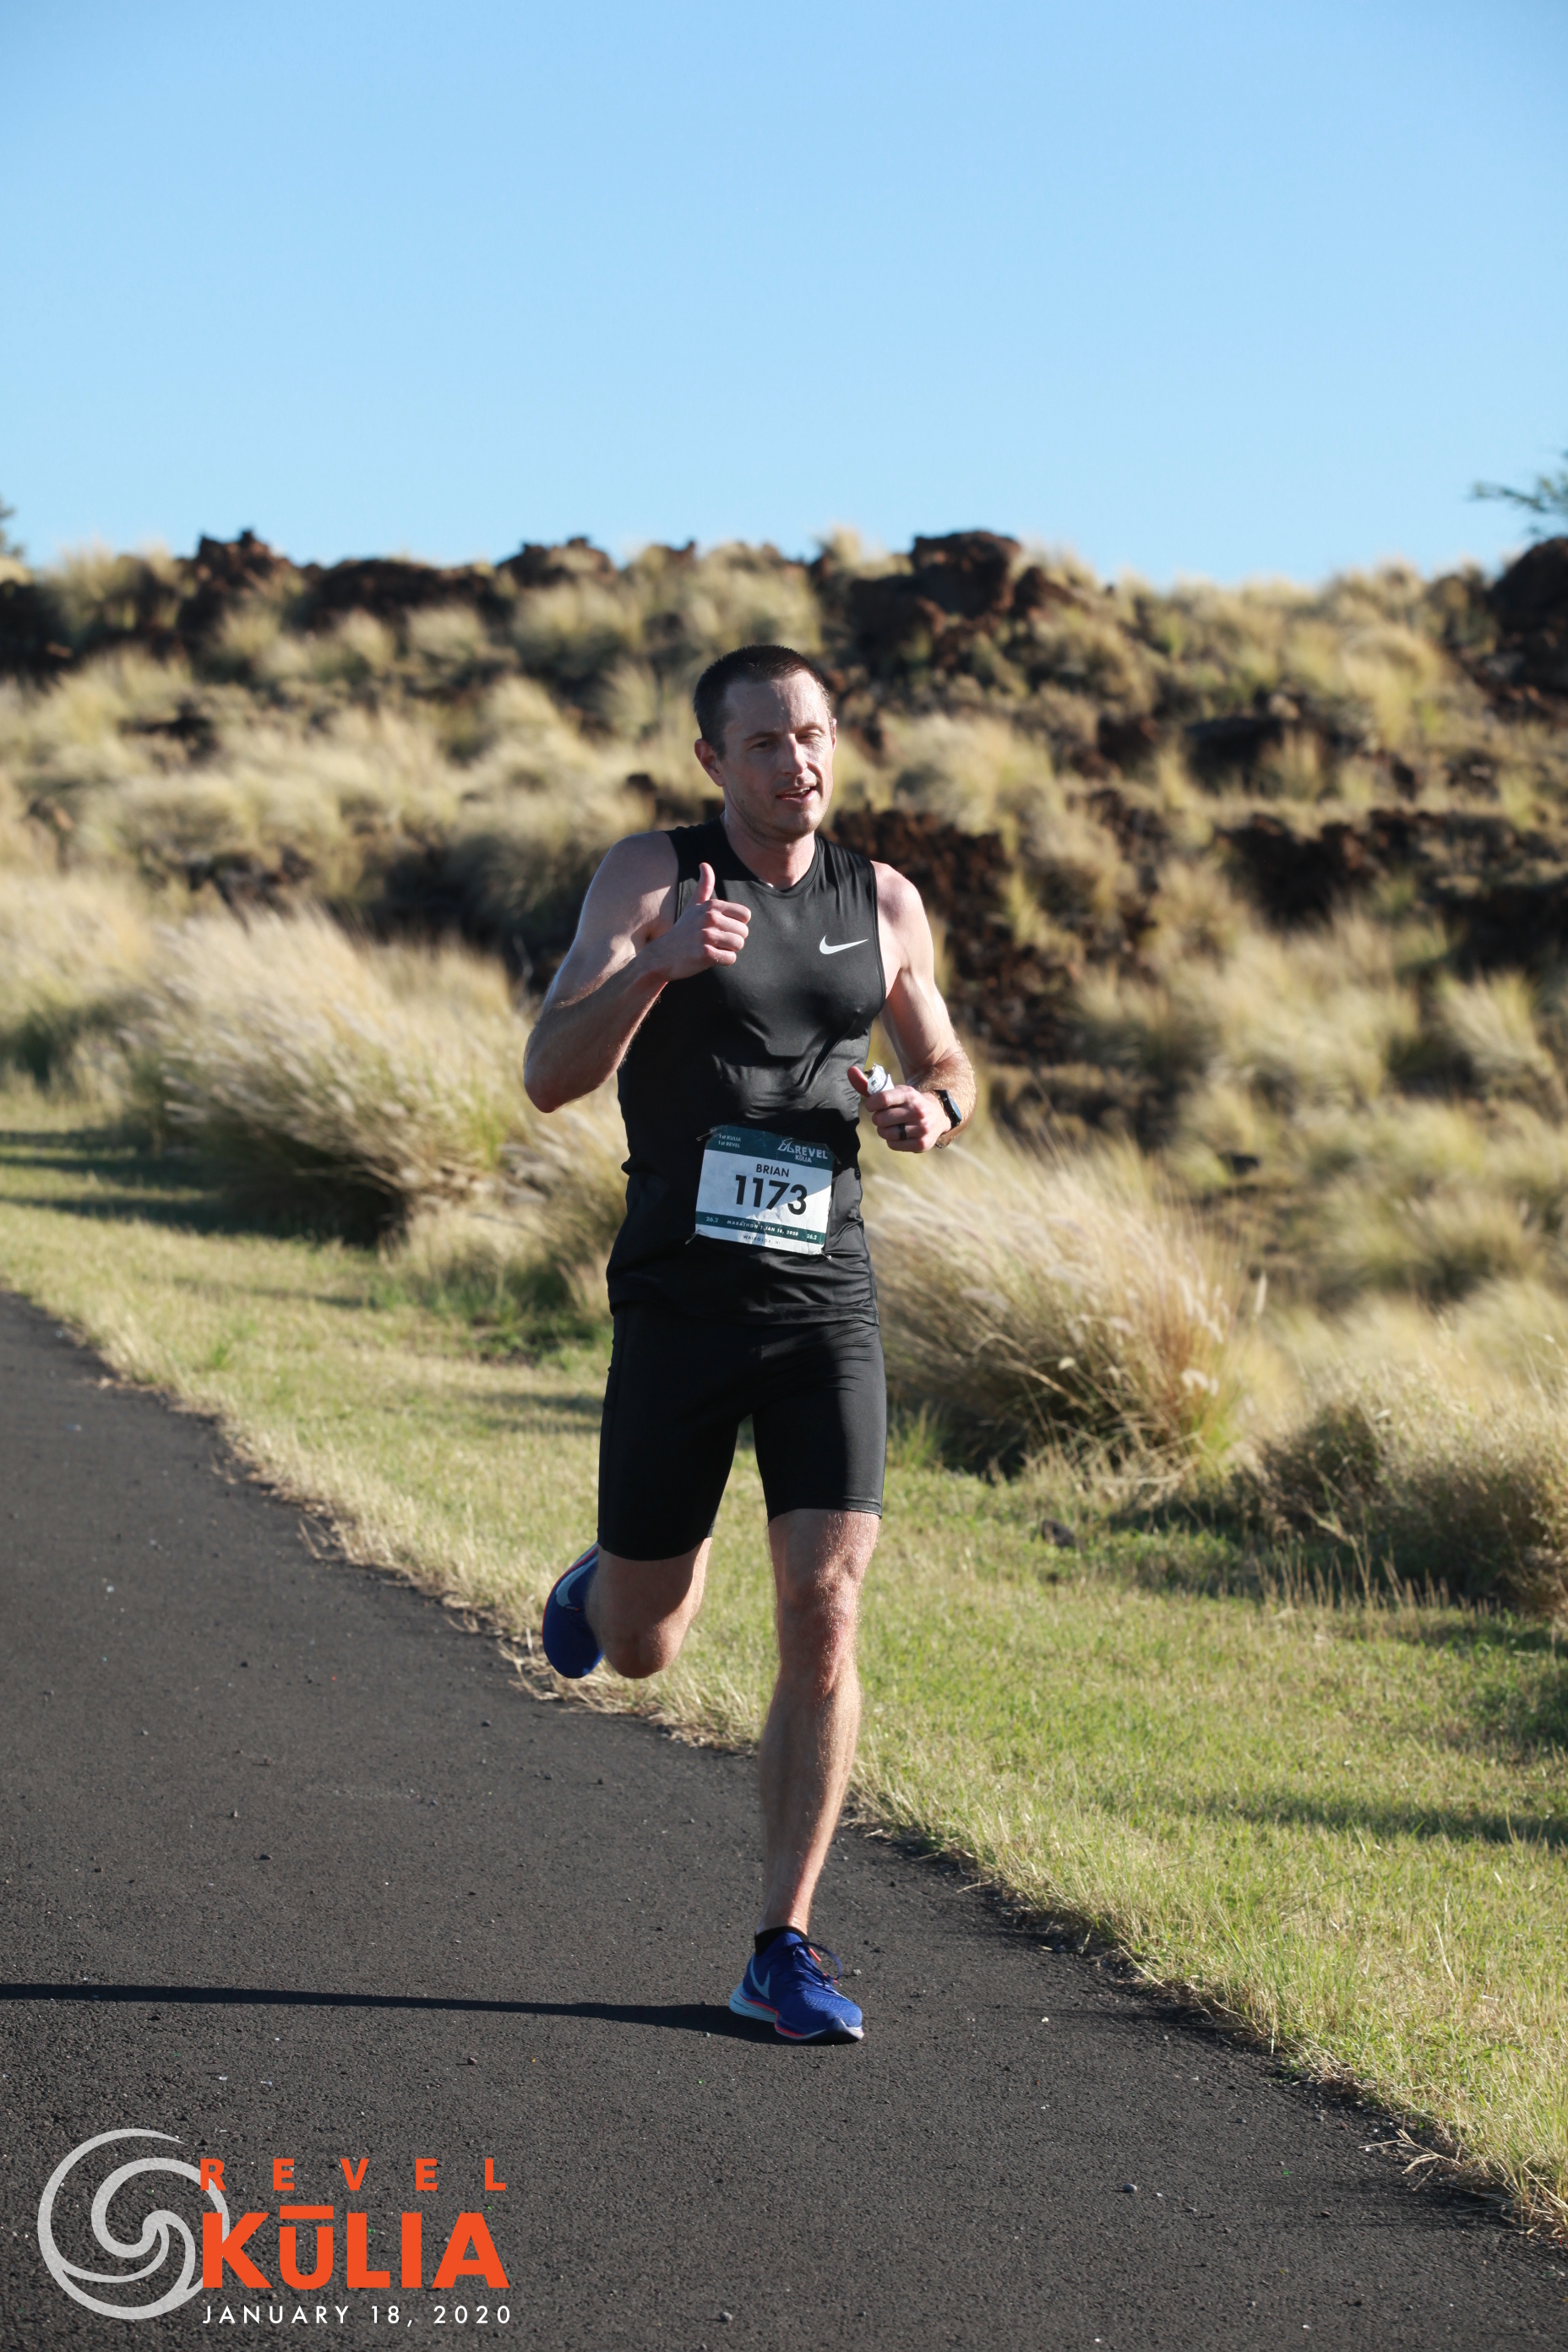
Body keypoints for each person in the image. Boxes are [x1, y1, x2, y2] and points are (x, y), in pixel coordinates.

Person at [523, 642, 976, 2042]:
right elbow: (548, 1076)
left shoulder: (879, 898)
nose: (800, 762)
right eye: (768, 742)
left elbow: (947, 1062)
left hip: (824, 1298)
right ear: (714, 760)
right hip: (679, 1298)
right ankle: (610, 1581)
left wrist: (932, 1113)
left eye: (817, 735)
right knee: (642, 1647)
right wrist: (657, 969)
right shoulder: (650, 879)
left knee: (825, 1608)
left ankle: (782, 1944)